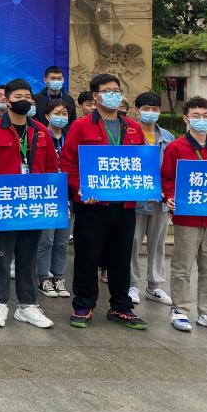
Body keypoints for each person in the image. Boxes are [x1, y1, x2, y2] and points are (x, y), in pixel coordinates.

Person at [61, 73, 148, 330]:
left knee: (121, 256)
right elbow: (68, 162)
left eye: (117, 91)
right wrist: (80, 190)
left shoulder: (132, 127)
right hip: (92, 204)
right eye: (108, 91)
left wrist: (145, 186)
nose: (113, 95)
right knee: (87, 255)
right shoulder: (81, 126)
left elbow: (142, 162)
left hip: (125, 204)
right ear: (96, 96)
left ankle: (121, 307)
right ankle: (84, 305)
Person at [0, 78, 58, 328]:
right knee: (1, 255)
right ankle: (0, 304)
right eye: (18, 97)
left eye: (27, 97)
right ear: (7, 100)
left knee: (28, 256)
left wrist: (55, 200)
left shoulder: (40, 131)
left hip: (33, 203)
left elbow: (51, 169)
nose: (24, 101)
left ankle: (27, 306)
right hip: (4, 203)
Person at [161, 97, 207, 333]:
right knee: (182, 266)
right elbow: (166, 178)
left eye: (206, 116)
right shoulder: (176, 148)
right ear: (186, 119)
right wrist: (169, 196)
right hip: (187, 217)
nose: (202, 120)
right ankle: (179, 310)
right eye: (196, 116)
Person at [129, 92, 175, 306]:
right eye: (146, 109)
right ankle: (131, 284)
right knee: (132, 242)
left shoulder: (168, 137)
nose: (150, 113)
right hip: (135, 199)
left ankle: (154, 286)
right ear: (137, 110)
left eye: (154, 109)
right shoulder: (129, 132)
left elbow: (173, 168)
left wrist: (168, 194)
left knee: (157, 244)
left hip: (160, 200)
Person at [35, 99, 72, 299]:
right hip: (47, 194)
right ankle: (43, 277)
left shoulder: (71, 137)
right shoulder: (40, 137)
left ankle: (58, 276)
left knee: (62, 241)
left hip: (68, 195)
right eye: (57, 113)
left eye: (64, 113)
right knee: (46, 240)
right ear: (47, 116)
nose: (61, 117)